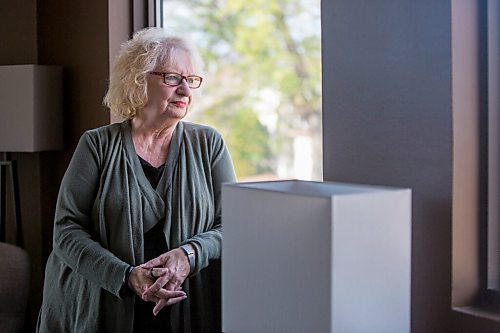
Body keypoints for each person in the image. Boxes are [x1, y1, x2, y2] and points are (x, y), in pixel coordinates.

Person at [37, 27, 236, 333]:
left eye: (192, 80)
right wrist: (127, 276)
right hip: (104, 305)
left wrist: (189, 254)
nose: (185, 90)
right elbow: (66, 230)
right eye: (172, 78)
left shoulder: (208, 144)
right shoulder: (97, 145)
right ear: (138, 79)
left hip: (188, 306)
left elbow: (233, 224)